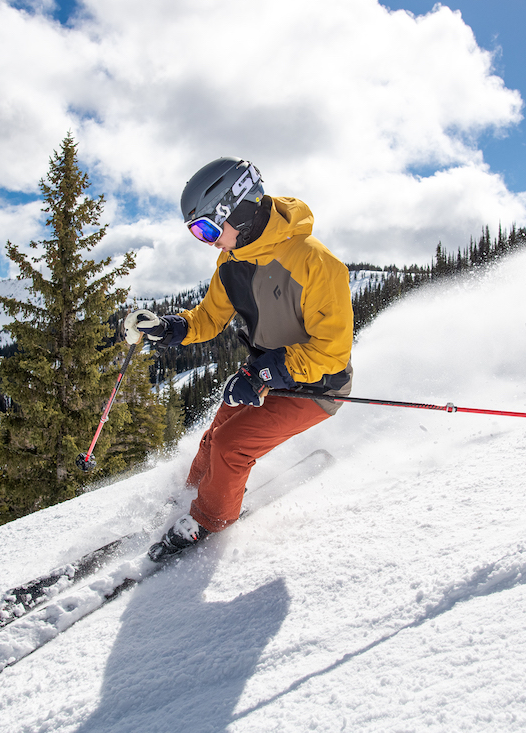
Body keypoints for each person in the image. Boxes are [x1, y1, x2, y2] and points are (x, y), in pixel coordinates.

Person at [124, 157, 354, 561]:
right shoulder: (231, 263)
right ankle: (191, 495)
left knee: (231, 445)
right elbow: (209, 317)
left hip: (317, 386)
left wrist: (267, 370)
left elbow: (332, 352)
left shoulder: (315, 261)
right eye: (198, 232)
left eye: (209, 228)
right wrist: (172, 327)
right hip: (265, 375)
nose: (208, 240)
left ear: (240, 208)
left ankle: (209, 520)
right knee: (215, 436)